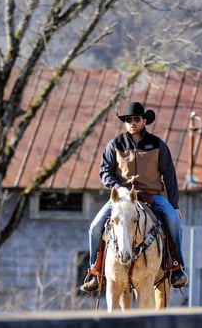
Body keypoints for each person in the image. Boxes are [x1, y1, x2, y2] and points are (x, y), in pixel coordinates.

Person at [80, 101, 189, 292]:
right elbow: (105, 172)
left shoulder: (157, 145)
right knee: (95, 227)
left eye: (136, 119)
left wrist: (174, 204)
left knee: (173, 222)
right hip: (122, 198)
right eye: (128, 120)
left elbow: (169, 175)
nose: (132, 123)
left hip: (152, 195)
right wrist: (117, 188)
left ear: (144, 120)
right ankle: (95, 271)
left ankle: (176, 268)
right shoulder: (115, 144)